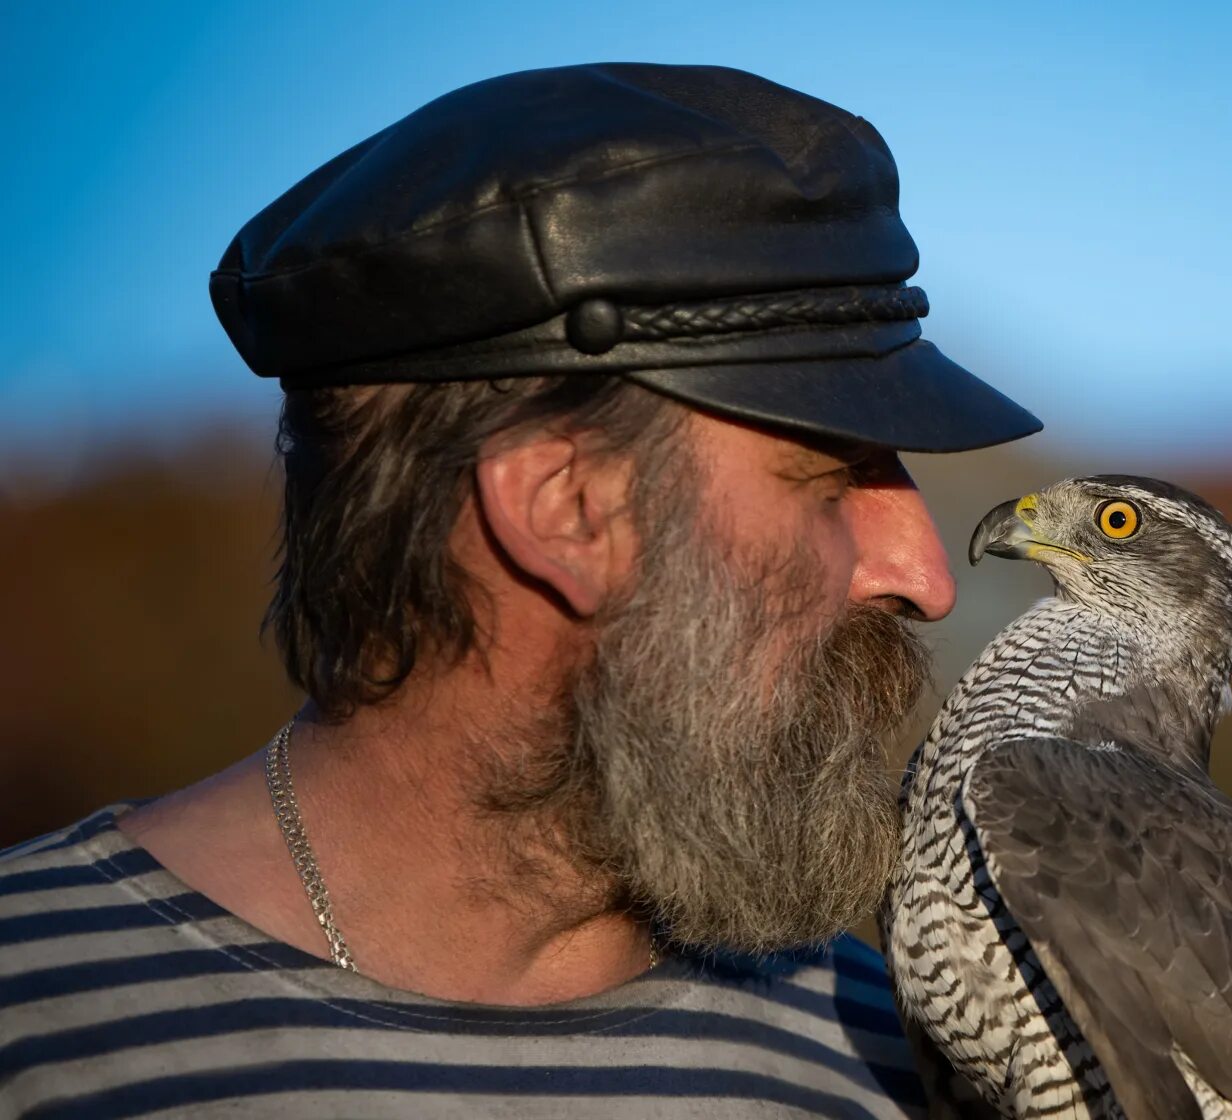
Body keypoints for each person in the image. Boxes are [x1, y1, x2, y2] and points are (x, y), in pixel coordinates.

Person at [0, 64, 1041, 1117]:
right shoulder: (33, 1014)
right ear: (566, 510)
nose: (924, 574)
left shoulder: (907, 1059)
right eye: (829, 479)